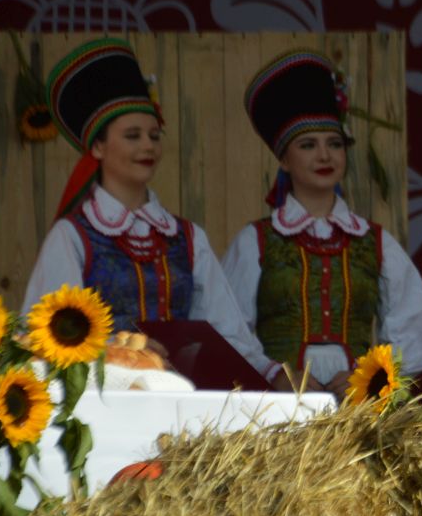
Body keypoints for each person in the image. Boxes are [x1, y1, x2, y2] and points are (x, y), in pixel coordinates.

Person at [23, 37, 281, 384]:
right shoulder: (72, 237)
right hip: (103, 401)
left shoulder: (188, 238)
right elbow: (43, 341)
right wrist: (119, 352)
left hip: (183, 403)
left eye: (154, 136)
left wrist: (274, 375)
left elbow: (229, 334)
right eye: (133, 136)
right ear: (97, 146)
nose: (148, 146)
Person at [222, 50, 422, 394]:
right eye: (308, 145)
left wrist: (371, 377)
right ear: (284, 160)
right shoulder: (255, 241)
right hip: (277, 405)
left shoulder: (374, 241)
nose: (324, 155)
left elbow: (414, 326)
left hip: (357, 405)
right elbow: (228, 327)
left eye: (335, 144)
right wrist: (274, 374)